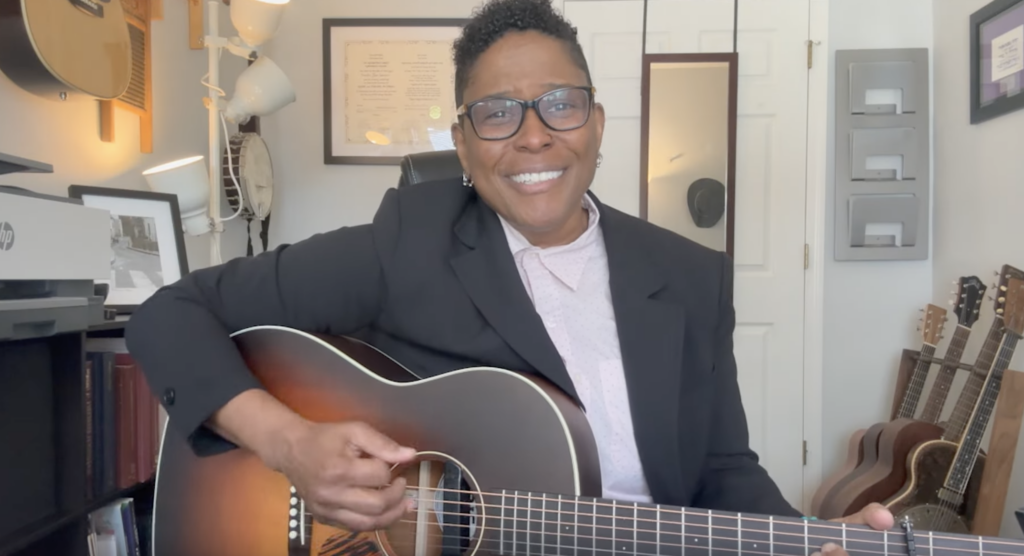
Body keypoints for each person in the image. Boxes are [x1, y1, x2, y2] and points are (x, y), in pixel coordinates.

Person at [125, 0, 893, 554]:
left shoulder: (692, 279)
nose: (533, 136)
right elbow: (168, 313)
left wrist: (808, 541)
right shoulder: (409, 242)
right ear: (462, 144)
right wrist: (290, 444)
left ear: (596, 124)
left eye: (560, 106)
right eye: (497, 114)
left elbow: (723, 471)